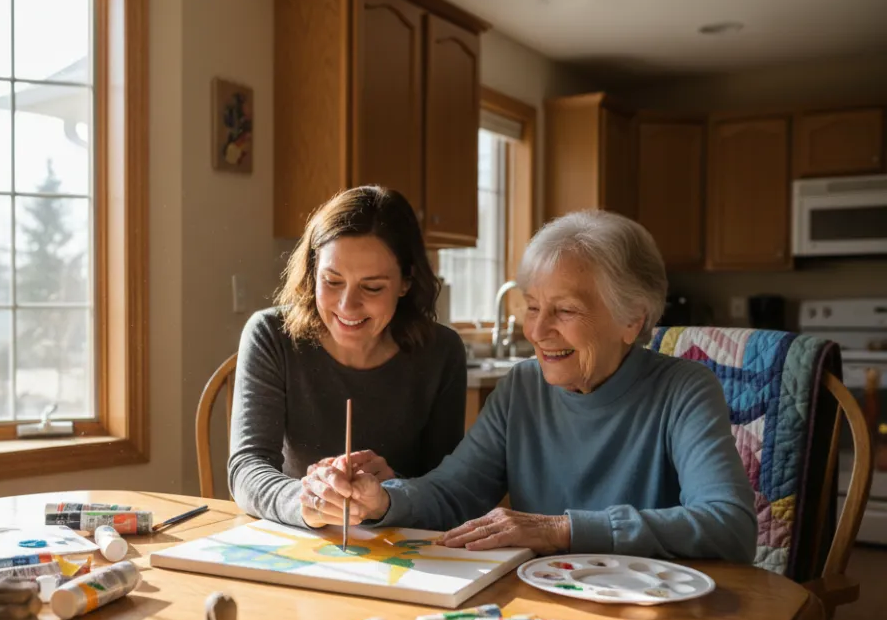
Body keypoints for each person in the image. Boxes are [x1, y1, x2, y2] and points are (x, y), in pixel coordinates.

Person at [299, 210, 757, 562]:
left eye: (566, 310)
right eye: (533, 307)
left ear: (632, 319)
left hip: (653, 612)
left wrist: (562, 530)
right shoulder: (522, 386)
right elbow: (453, 492)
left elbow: (729, 525)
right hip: (541, 604)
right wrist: (381, 501)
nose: (538, 332)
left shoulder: (685, 390)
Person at [229, 185, 467, 529]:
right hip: (301, 539)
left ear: (406, 281)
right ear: (313, 272)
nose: (346, 306)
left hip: (400, 548)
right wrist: (307, 500)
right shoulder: (270, 336)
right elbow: (247, 468)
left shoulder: (442, 352)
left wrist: (392, 491)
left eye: (372, 287)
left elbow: (448, 486)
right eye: (332, 281)